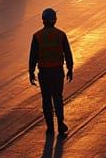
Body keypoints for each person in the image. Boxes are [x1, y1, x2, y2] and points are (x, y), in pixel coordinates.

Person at [28, 7, 74, 135]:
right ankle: (60, 124)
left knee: (46, 99)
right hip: (57, 72)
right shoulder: (61, 35)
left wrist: (31, 72)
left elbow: (33, 56)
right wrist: (70, 69)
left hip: (44, 73)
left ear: (43, 20)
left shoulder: (37, 36)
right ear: (55, 20)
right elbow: (68, 53)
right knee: (58, 98)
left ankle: (49, 127)